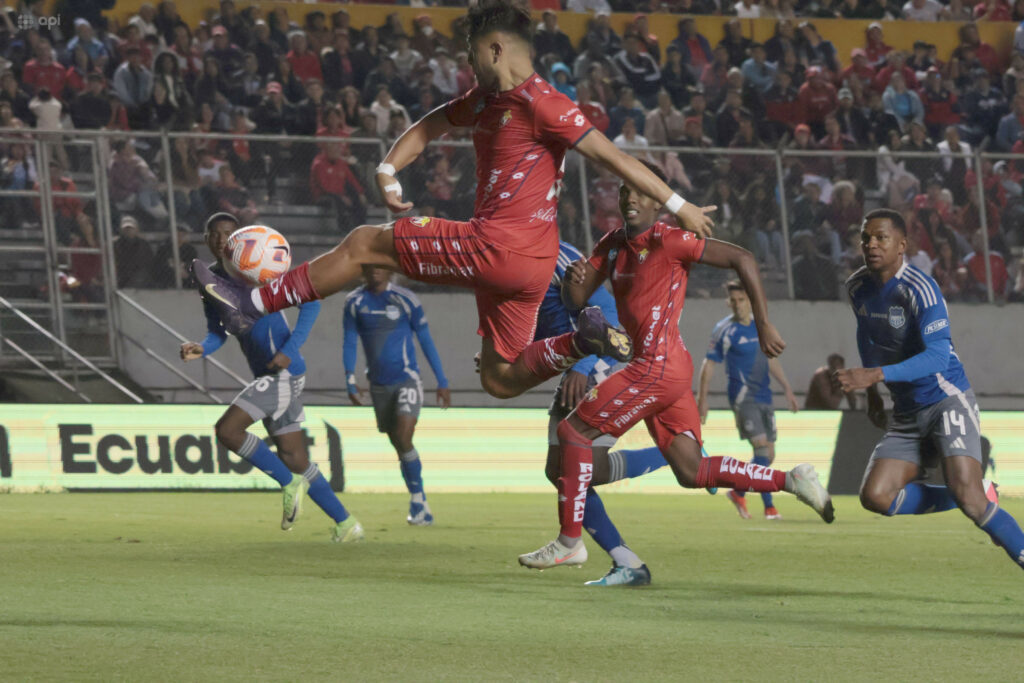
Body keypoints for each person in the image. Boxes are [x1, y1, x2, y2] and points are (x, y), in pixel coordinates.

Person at [193, 1, 714, 406]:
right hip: (531, 265)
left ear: (494, 48)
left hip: (498, 246)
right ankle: (581, 342)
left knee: (363, 244)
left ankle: (249, 304)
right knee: (499, 378)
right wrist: (387, 169)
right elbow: (429, 126)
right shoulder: (485, 100)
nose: (466, 65)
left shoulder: (544, 102)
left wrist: (679, 205)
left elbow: (613, 157)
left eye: (470, 54)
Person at [518, 163, 834, 571]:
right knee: (692, 470)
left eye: (641, 192)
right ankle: (792, 480)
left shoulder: (670, 240)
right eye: (624, 191)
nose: (631, 199)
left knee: (572, 433)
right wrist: (571, 281)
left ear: (658, 200)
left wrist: (763, 322)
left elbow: (743, 258)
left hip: (656, 366)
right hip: (666, 368)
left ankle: (570, 541)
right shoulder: (613, 245)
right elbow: (578, 298)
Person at [836, 208, 1024, 573]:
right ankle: (971, 493)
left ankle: (975, 498)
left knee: (971, 502)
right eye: (865, 238)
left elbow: (938, 356)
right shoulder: (857, 286)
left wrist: (874, 377)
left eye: (880, 238)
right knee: (876, 497)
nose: (871, 244)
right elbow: (869, 336)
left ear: (902, 245)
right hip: (906, 412)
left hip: (945, 400)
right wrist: (874, 395)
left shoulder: (921, 289)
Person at [181, 213, 364, 542]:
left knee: (228, 430)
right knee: (295, 457)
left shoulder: (258, 267)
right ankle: (347, 524)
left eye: (229, 233)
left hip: (283, 373)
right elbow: (217, 332)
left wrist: (289, 349)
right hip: (269, 375)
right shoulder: (210, 283)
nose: (222, 239)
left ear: (239, 238)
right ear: (207, 239)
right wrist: (202, 348)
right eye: (216, 234)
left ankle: (289, 482)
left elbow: (310, 303)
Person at [537, 240, 673, 586]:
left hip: (600, 364)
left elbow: (607, 314)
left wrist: (582, 364)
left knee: (571, 470)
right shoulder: (515, 266)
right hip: (579, 368)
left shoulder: (560, 257)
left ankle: (673, 455)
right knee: (563, 470)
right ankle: (627, 562)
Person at [343, 266, 450, 526]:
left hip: (407, 380)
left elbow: (425, 339)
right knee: (399, 445)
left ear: (390, 271)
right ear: (363, 272)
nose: (375, 271)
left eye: (381, 267)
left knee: (404, 435)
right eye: (371, 267)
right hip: (379, 386)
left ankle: (417, 500)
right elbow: (349, 341)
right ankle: (420, 501)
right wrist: (350, 380)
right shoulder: (354, 302)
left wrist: (442, 380)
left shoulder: (405, 299)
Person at [697, 281, 800, 521]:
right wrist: (702, 399)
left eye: (741, 300)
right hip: (743, 399)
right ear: (727, 302)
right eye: (732, 301)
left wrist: (787, 389)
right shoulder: (724, 329)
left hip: (765, 395)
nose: (737, 305)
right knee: (762, 449)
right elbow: (709, 363)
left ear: (749, 301)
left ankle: (738, 491)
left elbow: (771, 359)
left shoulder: (761, 327)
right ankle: (770, 507)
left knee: (769, 454)